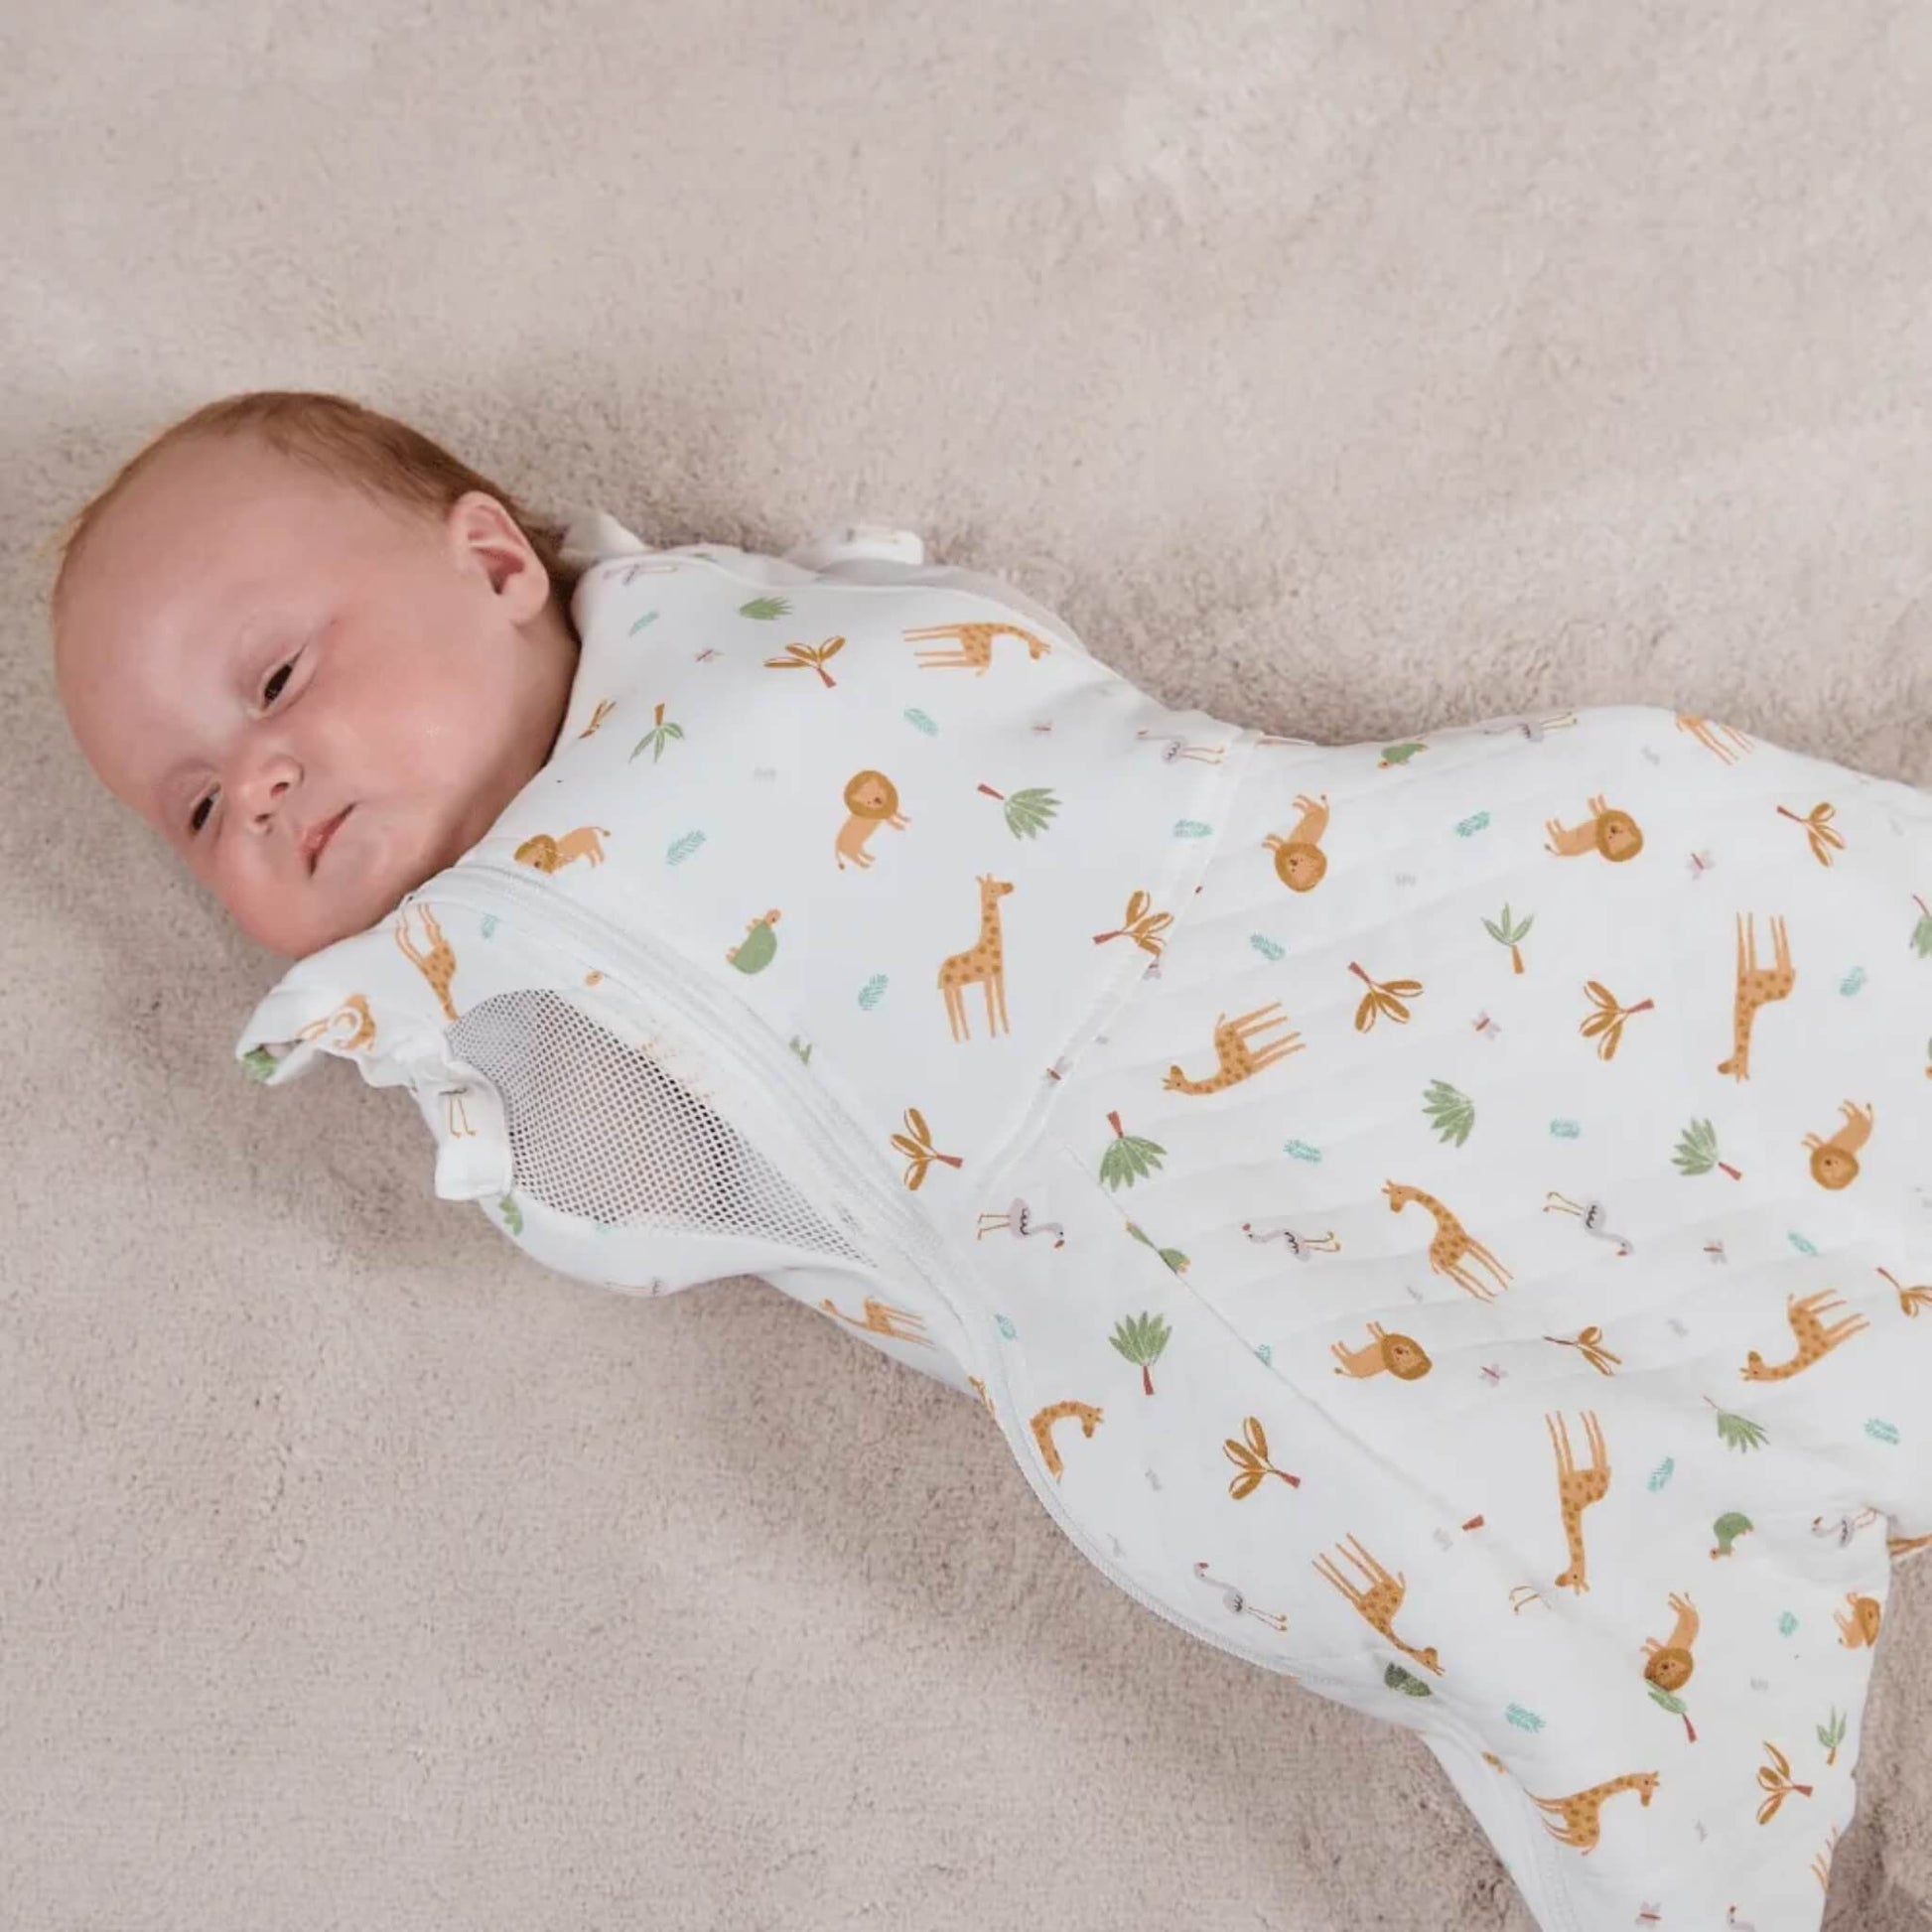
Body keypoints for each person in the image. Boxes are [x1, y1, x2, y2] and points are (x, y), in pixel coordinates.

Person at [48, 391, 1932, 1932]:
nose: (262, 784)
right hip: (1113, 1244)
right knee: (1452, 1516)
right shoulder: (491, 986)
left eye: (278, 677)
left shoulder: (705, 625)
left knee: (1642, 857)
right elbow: (639, 1198)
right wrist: (422, 1021)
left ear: (488, 562)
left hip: (1268, 890)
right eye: (197, 804)